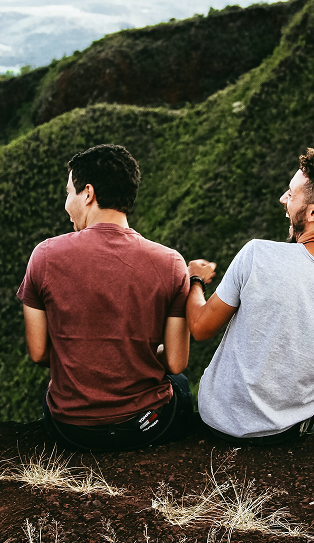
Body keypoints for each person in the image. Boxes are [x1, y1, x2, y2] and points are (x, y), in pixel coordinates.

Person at [187, 148, 314, 445]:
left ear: (313, 213)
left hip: (218, 421)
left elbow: (200, 328)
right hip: (287, 432)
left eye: (291, 194)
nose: (283, 199)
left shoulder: (257, 254)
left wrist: (195, 279)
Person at [17, 144, 193, 452]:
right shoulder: (171, 263)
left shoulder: (45, 255)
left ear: (88, 193)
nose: (66, 202)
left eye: (69, 192)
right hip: (145, 427)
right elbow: (176, 362)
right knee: (180, 385)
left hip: (71, 429)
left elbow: (39, 352)